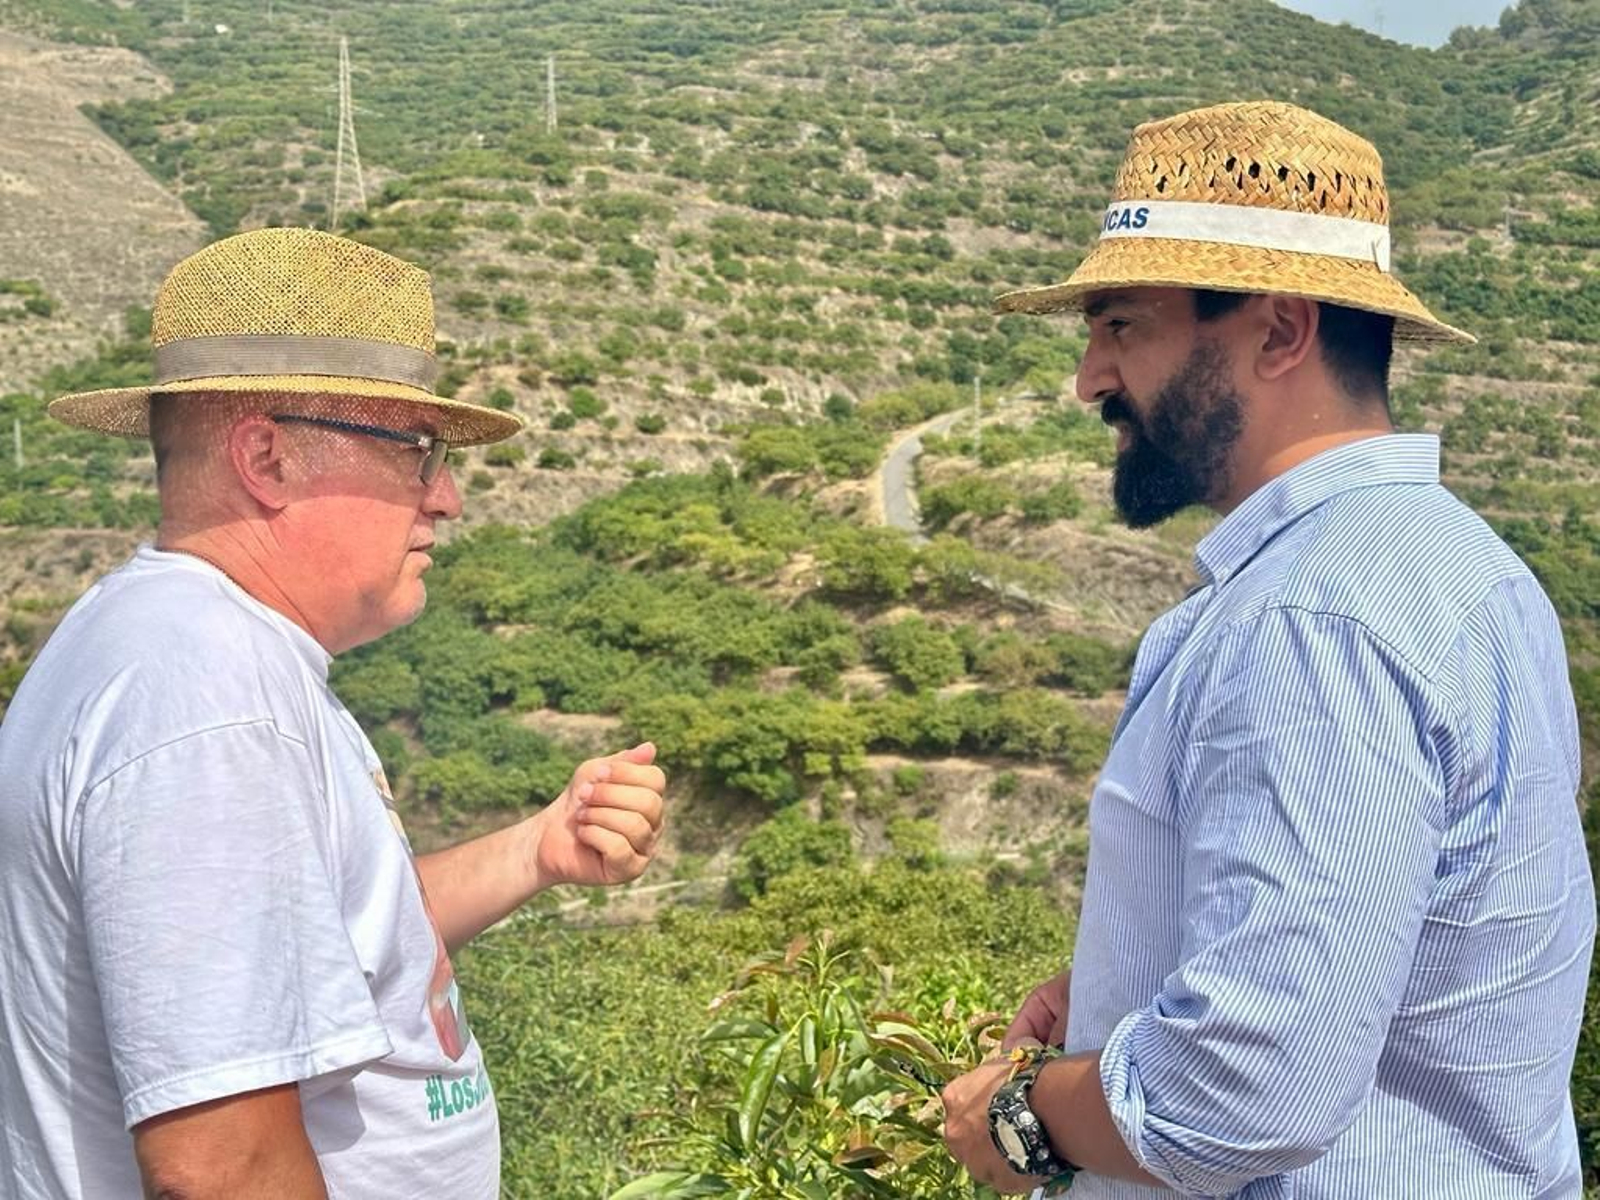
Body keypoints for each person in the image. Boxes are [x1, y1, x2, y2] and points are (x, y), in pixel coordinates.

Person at [941, 101, 1595, 1197]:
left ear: (1280, 331)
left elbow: (1245, 1089)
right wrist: (1125, 984)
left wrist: (1018, 1113)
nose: (1091, 379)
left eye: (1123, 327)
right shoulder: (1461, 566)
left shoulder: (1311, 621)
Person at [0, 228, 668, 1199]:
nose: (447, 499)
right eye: (418, 452)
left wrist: (535, 849)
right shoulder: (209, 698)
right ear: (266, 457)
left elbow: (321, 940)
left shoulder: (180, 647)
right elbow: (221, 1166)